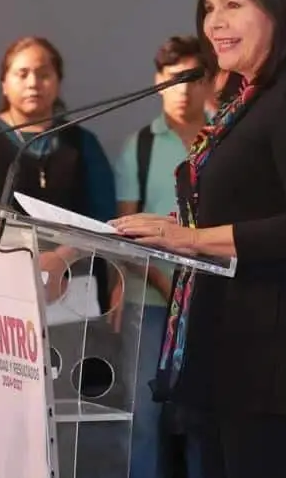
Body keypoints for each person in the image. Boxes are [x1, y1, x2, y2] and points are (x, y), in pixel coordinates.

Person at [110, 0, 286, 478]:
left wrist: (189, 240)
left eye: (234, 5)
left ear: (279, 6)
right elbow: (248, 203)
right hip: (227, 351)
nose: (215, 22)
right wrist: (171, 228)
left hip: (275, 364)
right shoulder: (249, 98)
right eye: (209, 8)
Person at [0, 36, 117, 477]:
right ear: (4, 83)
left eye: (43, 72)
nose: (33, 82)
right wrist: (27, 262)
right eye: (22, 73)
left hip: (72, 304)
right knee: (7, 431)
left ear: (58, 81)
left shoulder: (83, 143)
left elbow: (104, 222)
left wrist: (62, 257)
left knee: (65, 430)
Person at [112, 35, 211, 478]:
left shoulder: (222, 139)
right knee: (143, 422)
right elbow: (125, 235)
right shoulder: (141, 146)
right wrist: (169, 288)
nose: (184, 90)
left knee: (204, 425)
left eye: (193, 79)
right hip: (151, 305)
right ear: (158, 82)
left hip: (211, 304)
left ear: (209, 83)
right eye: (174, 79)